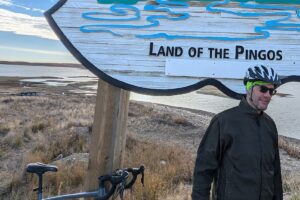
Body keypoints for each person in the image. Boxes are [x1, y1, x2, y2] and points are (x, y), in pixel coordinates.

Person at [192, 65, 283, 200]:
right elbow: (203, 170)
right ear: (249, 88)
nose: (267, 95)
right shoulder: (223, 122)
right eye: (263, 89)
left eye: (271, 91)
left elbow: (275, 173)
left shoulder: (269, 125)